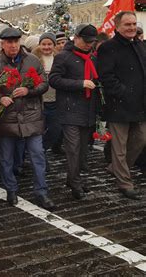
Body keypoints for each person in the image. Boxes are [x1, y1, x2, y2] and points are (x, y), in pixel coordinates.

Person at [0, 27, 55, 210]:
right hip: (6, 118)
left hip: (31, 116)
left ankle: (41, 192)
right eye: (9, 42)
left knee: (37, 155)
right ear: (2, 44)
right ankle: (11, 189)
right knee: (6, 157)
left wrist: (29, 91)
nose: (13, 45)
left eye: (15, 41)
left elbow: (44, 83)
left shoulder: (33, 60)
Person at [97, 11, 146, 200]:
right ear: (117, 26)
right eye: (127, 24)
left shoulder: (139, 45)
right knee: (119, 147)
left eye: (134, 24)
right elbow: (107, 77)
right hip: (119, 105)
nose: (132, 27)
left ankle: (115, 168)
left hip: (140, 104)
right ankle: (125, 183)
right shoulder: (108, 47)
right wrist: (124, 93)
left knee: (141, 139)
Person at [49, 24, 99, 200]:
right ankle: (75, 183)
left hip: (88, 110)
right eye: (86, 41)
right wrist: (80, 84)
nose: (89, 45)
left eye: (92, 42)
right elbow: (54, 80)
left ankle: (73, 179)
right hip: (70, 110)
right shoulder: (63, 57)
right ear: (76, 38)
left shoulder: (92, 57)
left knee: (83, 150)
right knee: (73, 148)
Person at [32, 33, 62, 166]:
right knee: (39, 130)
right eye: (44, 44)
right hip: (39, 101)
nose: (46, 47)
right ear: (39, 45)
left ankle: (42, 150)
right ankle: (40, 157)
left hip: (55, 100)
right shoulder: (34, 59)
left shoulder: (59, 58)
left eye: (49, 44)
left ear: (54, 45)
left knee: (56, 129)